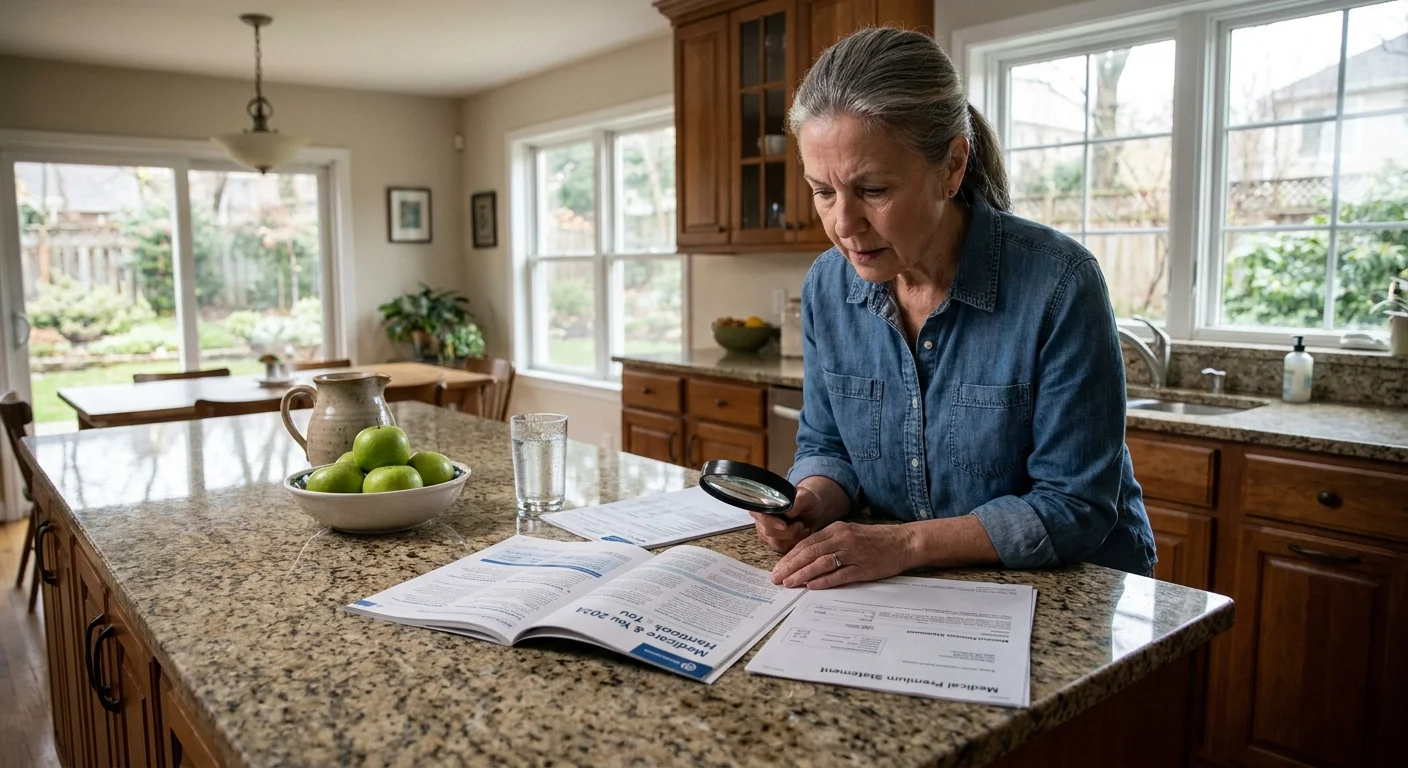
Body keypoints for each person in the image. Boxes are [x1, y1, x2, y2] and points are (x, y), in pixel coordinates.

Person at [757, 27, 1156, 590]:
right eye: (823, 191)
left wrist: (903, 544)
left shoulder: (1059, 283)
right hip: (913, 590)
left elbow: (1075, 506)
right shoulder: (828, 285)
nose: (843, 225)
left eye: (872, 190)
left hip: (1073, 591)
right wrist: (812, 500)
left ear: (951, 166)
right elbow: (828, 446)